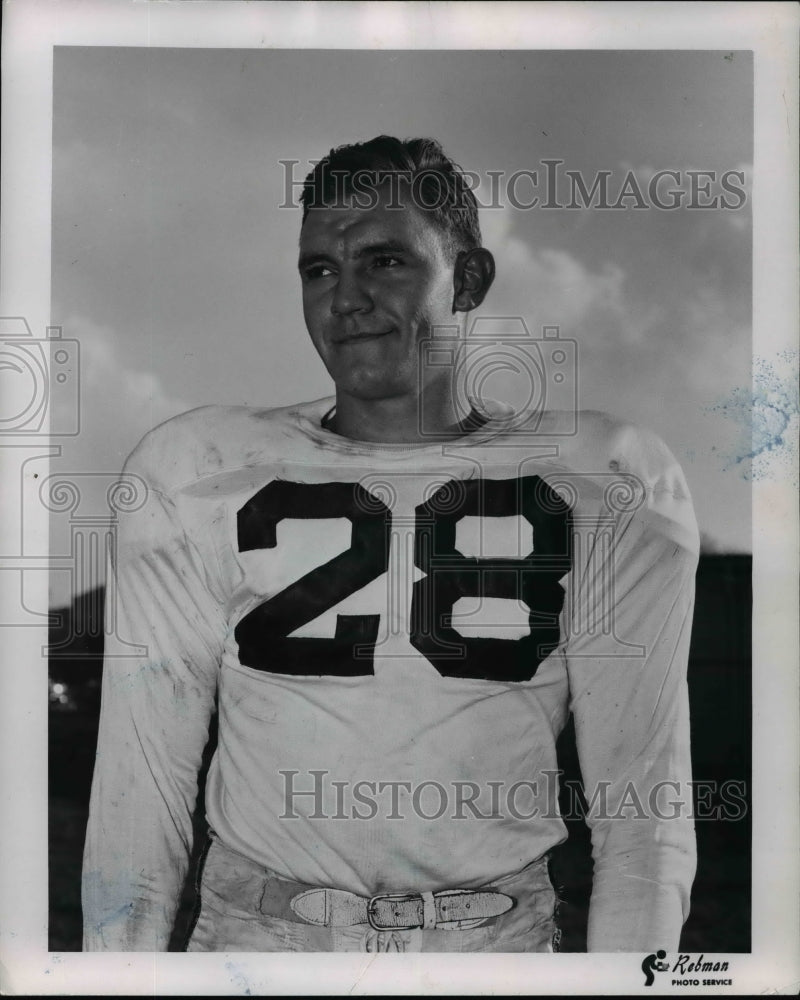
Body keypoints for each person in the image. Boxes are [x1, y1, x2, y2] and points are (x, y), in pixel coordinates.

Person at [82, 135, 699, 953]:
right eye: (319, 270)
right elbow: (141, 792)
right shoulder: (196, 469)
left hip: (492, 946)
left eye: (385, 262)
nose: (347, 298)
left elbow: (643, 808)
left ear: (469, 279)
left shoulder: (606, 477)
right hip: (260, 944)